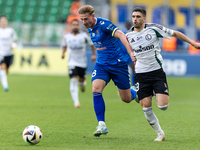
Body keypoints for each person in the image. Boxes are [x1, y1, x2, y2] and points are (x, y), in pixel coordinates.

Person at [126, 8, 200, 141]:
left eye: (138, 16)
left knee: (163, 106)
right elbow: (128, 48)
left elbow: (175, 33)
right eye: (133, 16)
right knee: (146, 108)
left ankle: (143, 93)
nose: (135, 19)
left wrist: (192, 43)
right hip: (141, 74)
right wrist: (131, 54)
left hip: (156, 72)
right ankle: (160, 133)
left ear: (144, 19)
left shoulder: (153, 29)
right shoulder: (128, 35)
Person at [78, 5, 137, 137]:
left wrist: (131, 52)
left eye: (86, 19)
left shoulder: (104, 24)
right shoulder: (89, 27)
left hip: (118, 64)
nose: (84, 22)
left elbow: (121, 34)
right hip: (102, 65)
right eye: (81, 19)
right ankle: (102, 125)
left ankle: (135, 92)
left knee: (126, 98)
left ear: (93, 16)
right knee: (96, 88)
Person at [62, 19, 96, 108]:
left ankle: (82, 84)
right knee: (73, 80)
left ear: (79, 26)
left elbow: (92, 45)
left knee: (81, 81)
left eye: (77, 25)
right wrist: (63, 53)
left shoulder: (84, 36)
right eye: (73, 25)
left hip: (82, 62)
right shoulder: (66, 36)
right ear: (70, 26)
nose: (75, 26)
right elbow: (64, 45)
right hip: (71, 62)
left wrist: (94, 55)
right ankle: (76, 102)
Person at [0, 15, 17, 91]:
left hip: (8, 53)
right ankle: (5, 86)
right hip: (1, 53)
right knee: (2, 68)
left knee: (6, 70)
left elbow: (15, 40)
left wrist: (14, 45)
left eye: (4, 21)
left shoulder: (11, 31)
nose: (3, 22)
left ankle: (3, 79)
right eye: (1, 21)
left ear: (6, 21)